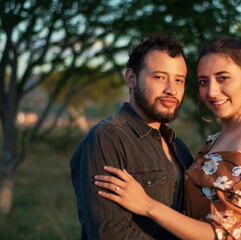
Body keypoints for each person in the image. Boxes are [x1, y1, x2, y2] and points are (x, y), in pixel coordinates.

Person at [94, 36, 241, 239]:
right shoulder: (221, 137)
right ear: (131, 78)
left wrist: (148, 206)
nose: (211, 91)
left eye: (223, 78)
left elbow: (222, 235)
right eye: (203, 81)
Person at [70, 34, 194, 239]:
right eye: (159, 77)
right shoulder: (106, 138)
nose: (172, 89)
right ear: (131, 78)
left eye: (179, 80)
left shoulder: (178, 147)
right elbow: (108, 232)